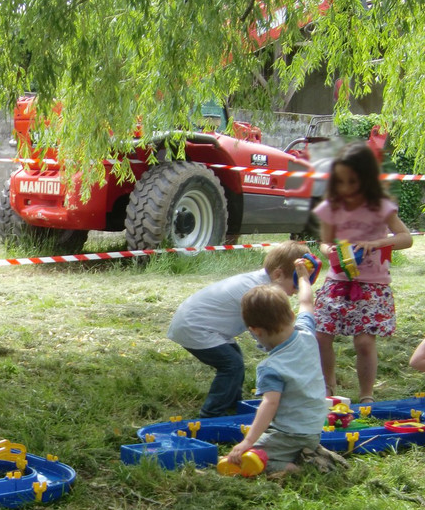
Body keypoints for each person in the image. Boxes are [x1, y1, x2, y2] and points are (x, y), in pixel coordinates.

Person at [219, 261, 346, 477]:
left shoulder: (270, 367)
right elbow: (306, 301)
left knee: (251, 459)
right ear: (292, 315)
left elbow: (270, 403)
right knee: (264, 446)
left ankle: (298, 467)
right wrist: (303, 277)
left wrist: (248, 441)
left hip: (290, 432)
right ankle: (306, 450)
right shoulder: (306, 332)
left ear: (255, 331)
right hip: (315, 427)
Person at [314, 141, 413, 403]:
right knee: (321, 335)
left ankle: (366, 395)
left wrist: (378, 244)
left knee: (364, 343)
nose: (346, 188)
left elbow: (406, 238)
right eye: (341, 181)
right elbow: (323, 242)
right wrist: (331, 251)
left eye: (353, 181)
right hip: (337, 282)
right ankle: (328, 386)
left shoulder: (381, 206)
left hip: (372, 286)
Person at [167, 240, 310, 417]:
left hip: (200, 325)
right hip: (195, 327)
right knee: (231, 365)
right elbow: (267, 332)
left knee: (235, 359)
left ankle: (233, 404)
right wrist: (289, 351)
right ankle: (212, 413)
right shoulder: (258, 292)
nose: (297, 290)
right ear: (278, 274)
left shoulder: (260, 284)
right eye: (297, 283)